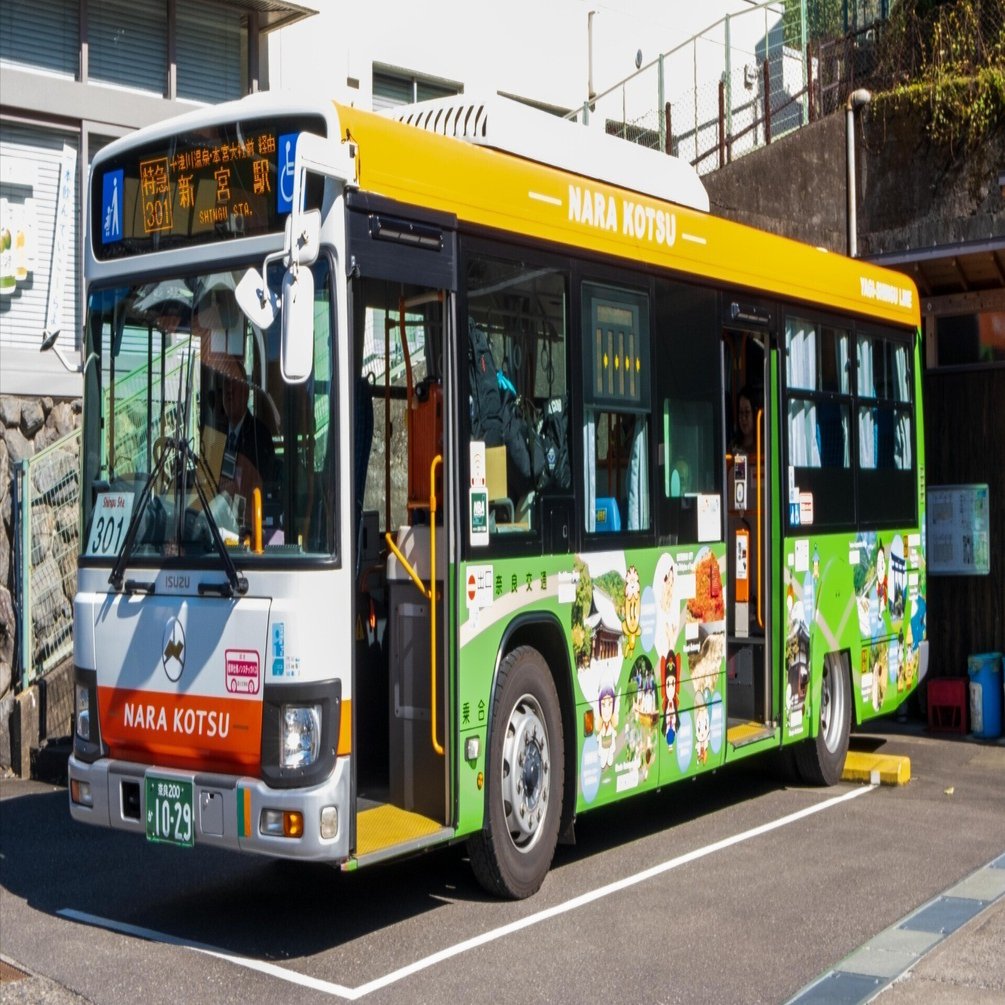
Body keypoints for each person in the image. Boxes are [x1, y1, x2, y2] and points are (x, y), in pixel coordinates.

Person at [732, 386, 761, 455]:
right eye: (741, 412)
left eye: (747, 412)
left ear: (754, 414)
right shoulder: (733, 447)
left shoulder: (764, 445)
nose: (743, 418)